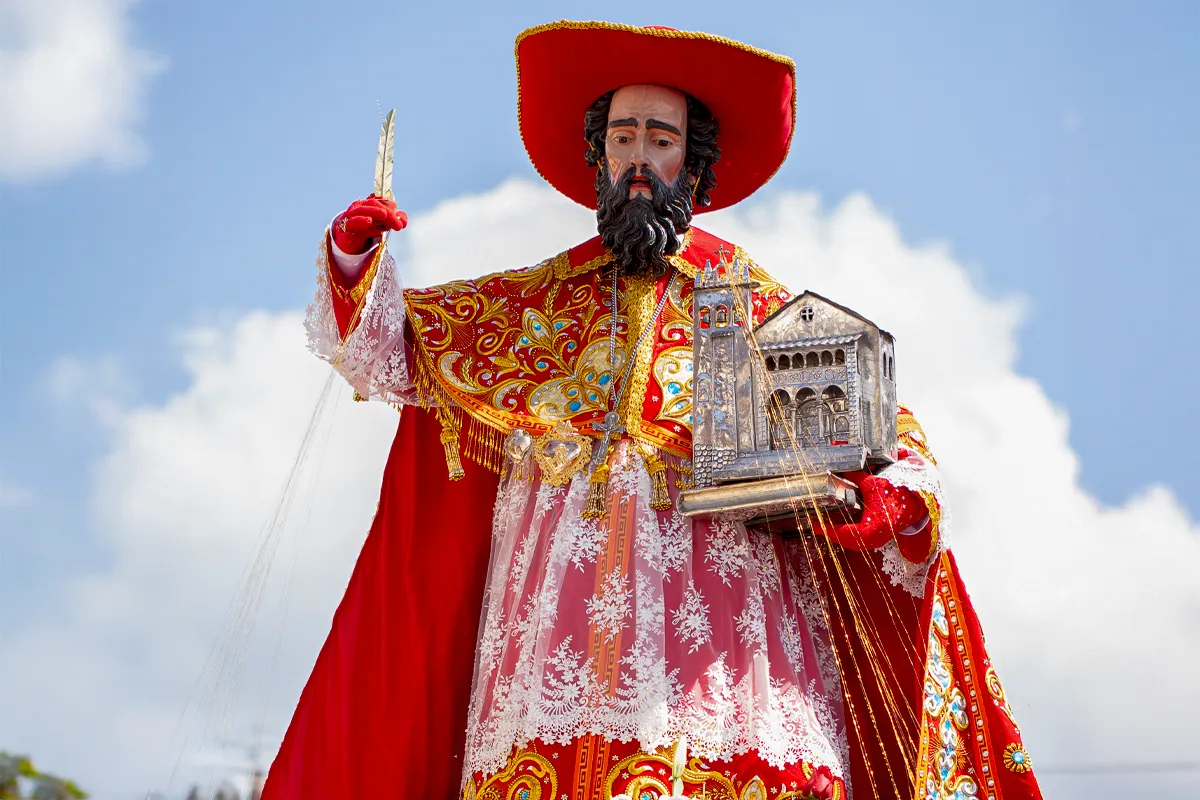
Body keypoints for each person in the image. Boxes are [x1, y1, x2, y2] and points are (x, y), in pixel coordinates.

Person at [263, 21, 1042, 800]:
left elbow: (894, 446)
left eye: (660, 140)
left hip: (724, 675)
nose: (638, 158)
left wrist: (883, 502)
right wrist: (354, 259)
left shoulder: (759, 311)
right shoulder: (530, 307)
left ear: (692, 166)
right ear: (599, 156)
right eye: (622, 137)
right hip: (549, 672)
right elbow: (390, 353)